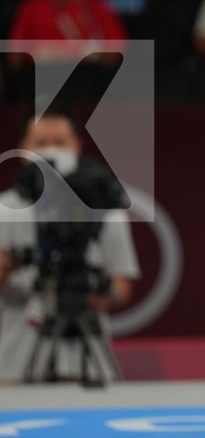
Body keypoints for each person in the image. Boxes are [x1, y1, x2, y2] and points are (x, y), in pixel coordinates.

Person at [0, 105, 140, 383]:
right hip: (14, 364)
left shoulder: (105, 209)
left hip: (87, 364)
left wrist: (89, 294)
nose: (51, 152)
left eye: (60, 143)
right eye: (40, 144)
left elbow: (123, 283)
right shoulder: (3, 209)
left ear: (77, 146)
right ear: (23, 149)